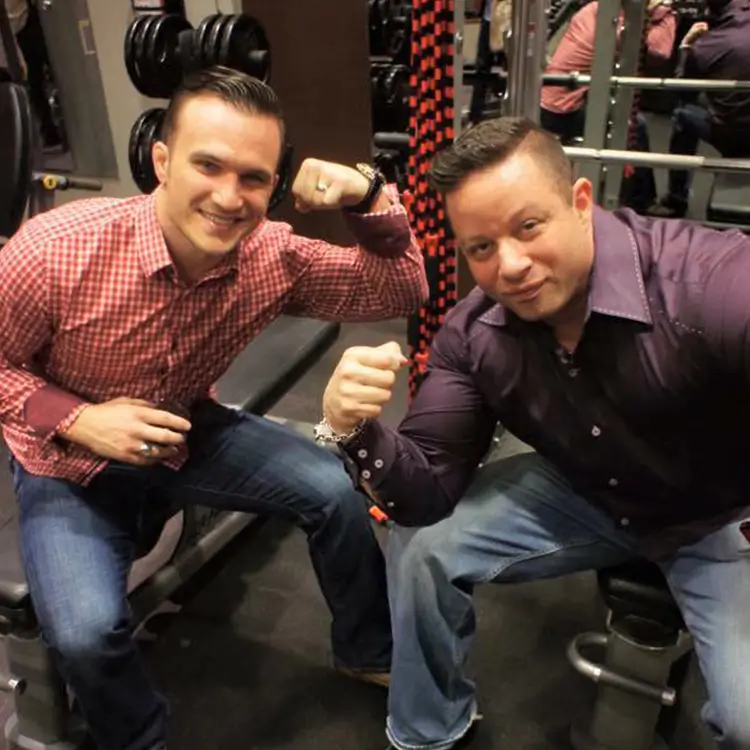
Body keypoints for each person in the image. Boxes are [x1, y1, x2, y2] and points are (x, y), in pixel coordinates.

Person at [0, 65, 428, 750]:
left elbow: (403, 290)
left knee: (333, 490)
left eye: (254, 178)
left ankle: (368, 648)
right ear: (162, 161)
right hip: (66, 465)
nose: (230, 197)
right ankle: (138, 737)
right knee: (85, 634)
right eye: (209, 166)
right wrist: (81, 419)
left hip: (184, 429)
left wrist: (369, 191)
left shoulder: (269, 257)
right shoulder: (52, 252)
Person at [321, 116, 750, 750]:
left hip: (713, 515)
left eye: (529, 227)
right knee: (422, 546)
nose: (511, 266)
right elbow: (424, 491)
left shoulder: (708, 284)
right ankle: (426, 729)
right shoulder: (472, 336)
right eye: (481, 248)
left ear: (580, 203)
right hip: (584, 485)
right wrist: (351, 428)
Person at [647, 0, 750, 218]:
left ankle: (676, 198)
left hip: (735, 136)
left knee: (682, 113)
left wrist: (686, 47)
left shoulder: (706, 47)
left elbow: (685, 90)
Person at [540, 0, 676, 144]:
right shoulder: (615, 23)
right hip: (563, 109)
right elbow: (660, 52)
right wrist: (664, 12)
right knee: (636, 126)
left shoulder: (594, 8)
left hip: (548, 101)